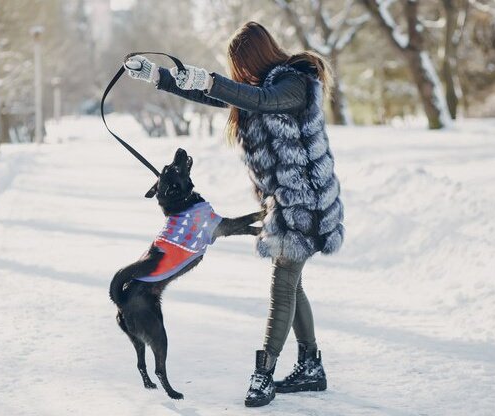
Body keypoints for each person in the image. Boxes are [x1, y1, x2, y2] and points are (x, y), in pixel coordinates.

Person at [124, 21, 344, 408]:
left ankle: (265, 374)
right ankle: (310, 365)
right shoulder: (262, 89)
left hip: (306, 203)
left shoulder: (295, 83)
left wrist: (211, 80)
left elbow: (257, 100)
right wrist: (158, 76)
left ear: (252, 58)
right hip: (286, 202)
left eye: (238, 64)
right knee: (292, 284)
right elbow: (223, 98)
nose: (237, 73)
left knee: (283, 284)